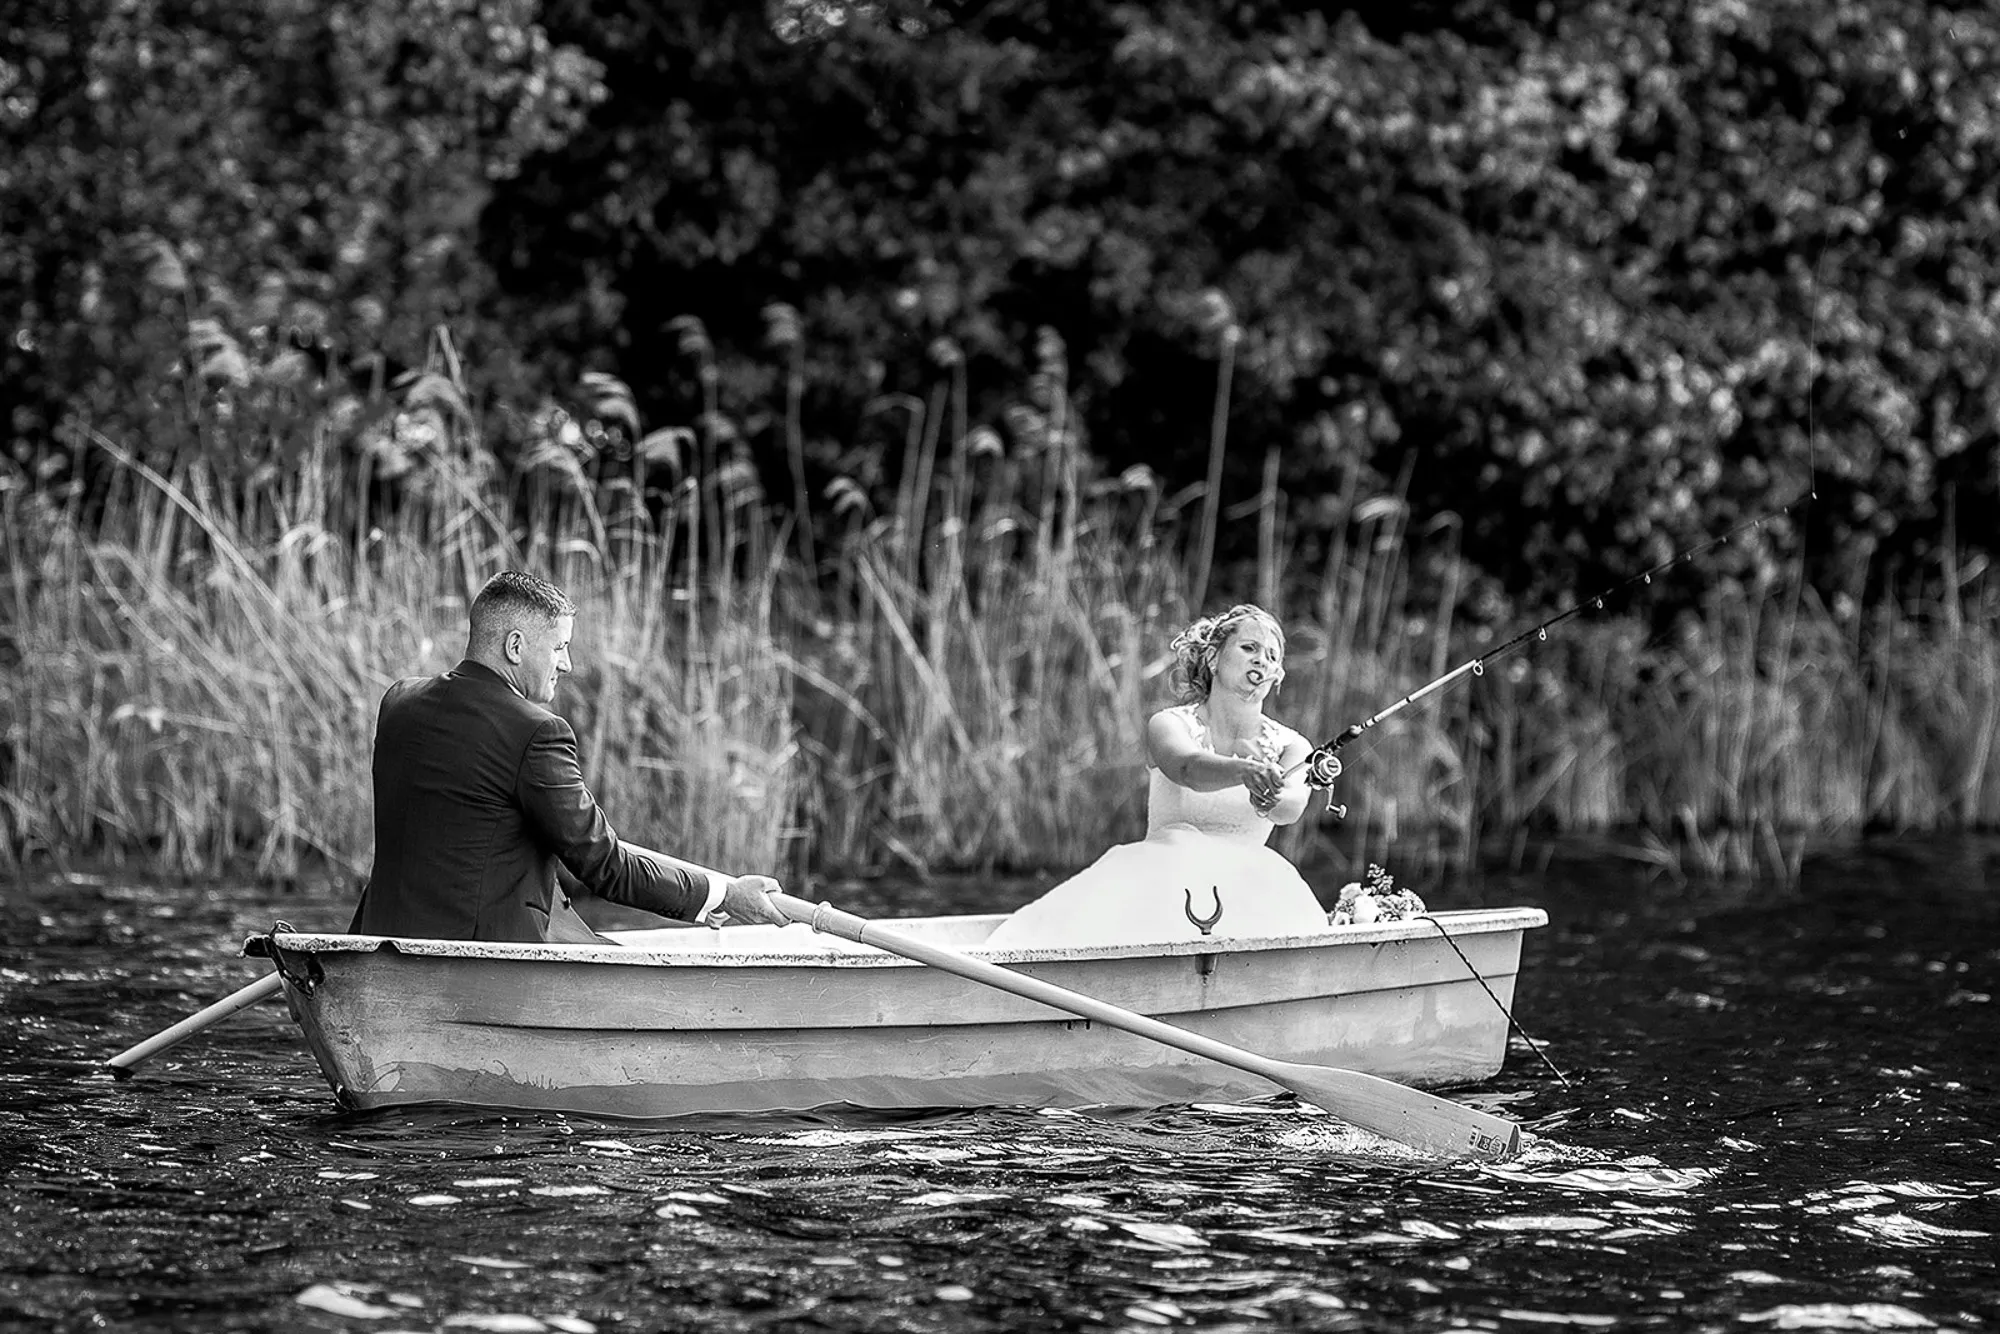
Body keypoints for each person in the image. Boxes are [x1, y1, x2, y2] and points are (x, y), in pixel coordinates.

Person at [349, 570, 790, 943]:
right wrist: (720, 894)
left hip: (378, 942)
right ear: (516, 647)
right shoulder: (536, 733)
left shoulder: (400, 702)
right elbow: (606, 867)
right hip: (482, 959)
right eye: (559, 647)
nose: (568, 665)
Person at [983, 604, 1330, 949]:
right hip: (1161, 883)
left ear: (1277, 675)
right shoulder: (1169, 724)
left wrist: (1272, 796)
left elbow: (1292, 806)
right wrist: (1245, 772)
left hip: (1254, 893)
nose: (1261, 660)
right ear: (1213, 658)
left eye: (1271, 656)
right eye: (1249, 647)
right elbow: (1188, 768)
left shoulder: (1292, 745)